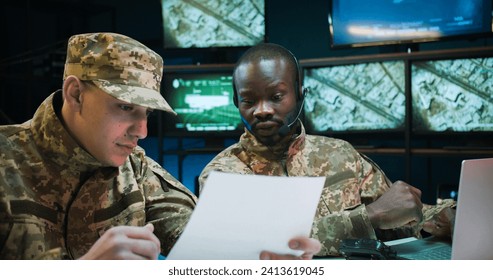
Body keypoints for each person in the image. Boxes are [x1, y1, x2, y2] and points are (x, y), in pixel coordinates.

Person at [0, 33, 320, 260]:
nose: (142, 131)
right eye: (126, 108)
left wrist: (260, 251)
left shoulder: (135, 168)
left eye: (147, 114)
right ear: (75, 94)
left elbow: (194, 233)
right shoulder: (6, 160)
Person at [198, 43, 456, 257]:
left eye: (276, 96)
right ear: (236, 103)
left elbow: (397, 216)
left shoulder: (340, 154)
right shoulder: (221, 175)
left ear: (300, 94)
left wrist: (441, 220)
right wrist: (369, 217)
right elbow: (254, 249)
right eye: (249, 100)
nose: (262, 110)